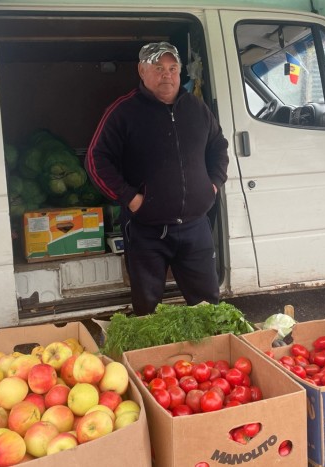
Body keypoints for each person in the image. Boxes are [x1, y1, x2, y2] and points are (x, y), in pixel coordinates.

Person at [85, 42, 229, 315]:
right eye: (158, 68)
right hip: (146, 229)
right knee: (148, 308)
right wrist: (131, 198)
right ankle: (151, 357)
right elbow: (96, 160)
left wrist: (213, 184)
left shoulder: (196, 108)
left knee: (208, 305)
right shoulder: (123, 111)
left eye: (173, 68)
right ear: (142, 70)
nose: (167, 75)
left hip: (195, 226)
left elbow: (218, 146)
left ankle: (208, 356)